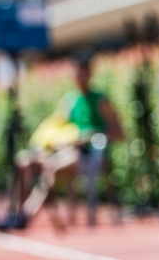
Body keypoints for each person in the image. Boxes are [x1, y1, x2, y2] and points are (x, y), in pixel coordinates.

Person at [17, 57, 124, 227]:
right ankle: (20, 212)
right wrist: (46, 145)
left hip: (89, 154)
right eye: (76, 73)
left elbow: (120, 133)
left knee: (53, 167)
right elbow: (55, 125)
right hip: (66, 150)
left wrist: (89, 137)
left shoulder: (100, 100)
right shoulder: (70, 101)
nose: (79, 77)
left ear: (90, 73)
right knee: (23, 162)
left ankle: (27, 215)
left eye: (82, 72)